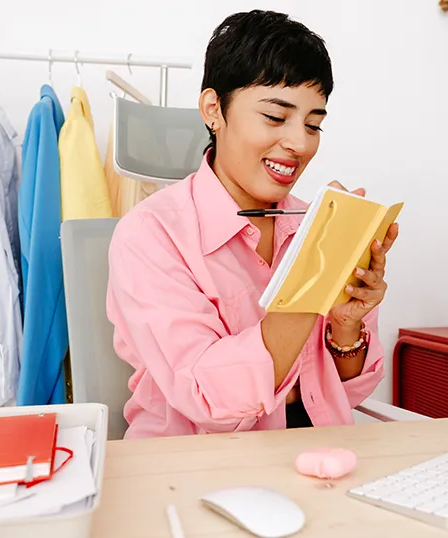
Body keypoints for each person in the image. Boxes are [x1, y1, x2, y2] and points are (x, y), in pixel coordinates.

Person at [106, 9, 400, 439]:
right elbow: (209, 401)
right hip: (192, 466)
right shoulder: (150, 235)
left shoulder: (312, 224)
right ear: (214, 110)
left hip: (318, 450)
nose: (299, 143)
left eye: (314, 124)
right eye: (275, 117)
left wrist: (345, 323)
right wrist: (311, 282)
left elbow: (347, 391)